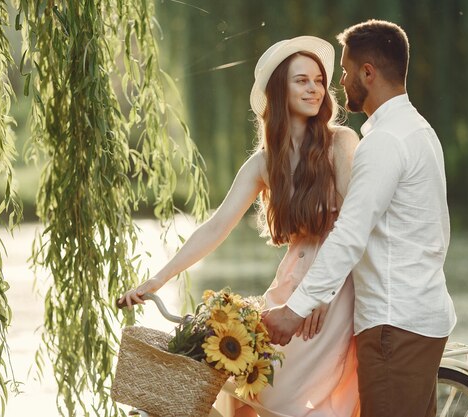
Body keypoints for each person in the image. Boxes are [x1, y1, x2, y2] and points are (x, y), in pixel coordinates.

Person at [119, 36, 361, 417]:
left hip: (334, 286)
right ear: (279, 89)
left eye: (318, 80)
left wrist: (323, 294)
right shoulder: (265, 163)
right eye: (302, 80)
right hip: (289, 283)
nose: (314, 88)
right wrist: (156, 281)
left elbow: (354, 224)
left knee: (287, 399)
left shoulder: (341, 143)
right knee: (249, 391)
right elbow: (215, 227)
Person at [262, 20, 457, 417]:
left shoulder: (383, 143)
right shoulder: (420, 131)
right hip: (422, 315)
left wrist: (295, 309)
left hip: (393, 326)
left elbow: (349, 233)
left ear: (368, 73)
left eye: (347, 72)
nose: (341, 82)